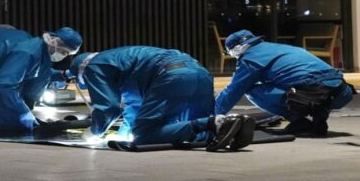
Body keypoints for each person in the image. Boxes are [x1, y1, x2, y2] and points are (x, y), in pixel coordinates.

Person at [69, 47, 255, 151]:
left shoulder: (93, 66)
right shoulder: (121, 58)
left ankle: (211, 123)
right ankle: (224, 125)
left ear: (81, 72)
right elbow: (134, 107)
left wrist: (94, 131)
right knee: (195, 131)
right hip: (199, 72)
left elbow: (108, 107)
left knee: (144, 136)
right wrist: (123, 132)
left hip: (172, 77)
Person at [216, 29, 355, 136]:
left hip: (313, 94)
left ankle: (299, 122)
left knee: (252, 91)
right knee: (313, 86)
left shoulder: (250, 58)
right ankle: (318, 122)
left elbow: (234, 90)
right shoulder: (281, 48)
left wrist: (212, 116)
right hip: (342, 92)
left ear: (236, 49)